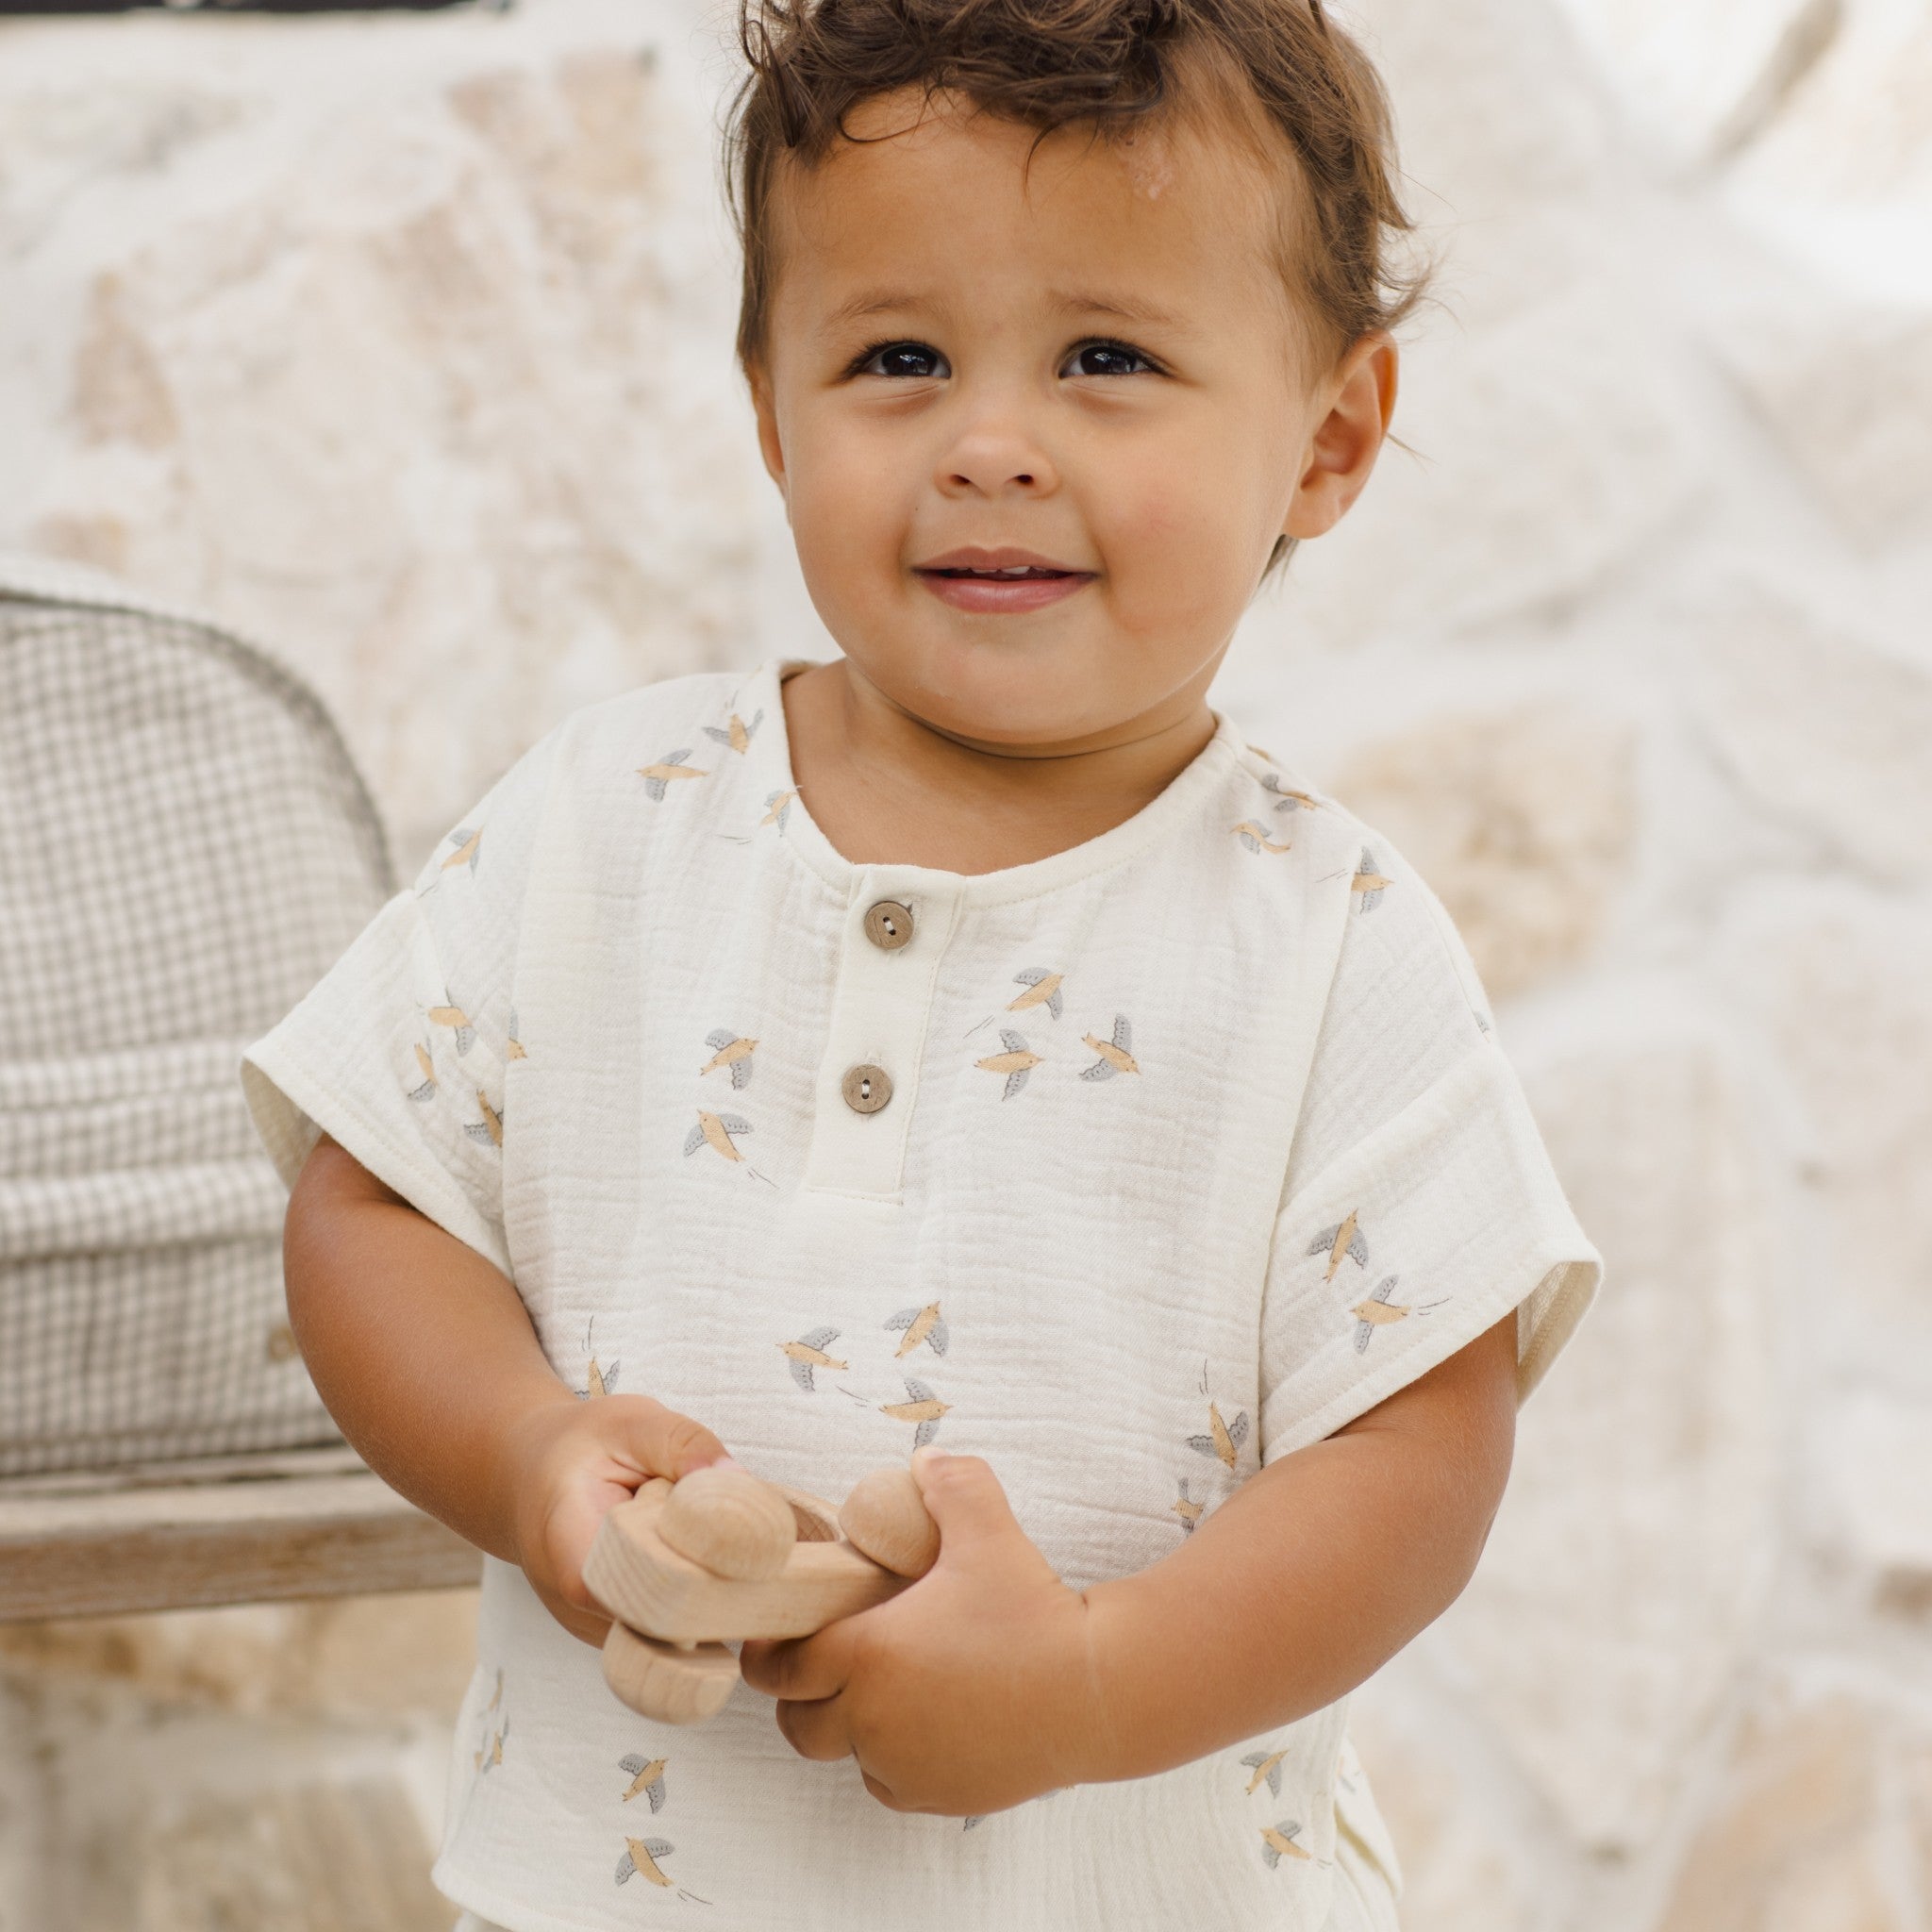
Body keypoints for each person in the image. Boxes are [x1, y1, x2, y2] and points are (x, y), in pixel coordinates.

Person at [240, 0, 1602, 1924]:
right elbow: (375, 1197)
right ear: (770, 408)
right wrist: (528, 1452)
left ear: (1328, 436)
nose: (988, 446)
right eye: (897, 357)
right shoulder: (606, 820)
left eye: (1106, 358)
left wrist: (1092, 1685)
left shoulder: (1327, 939)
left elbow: (1416, 1450)